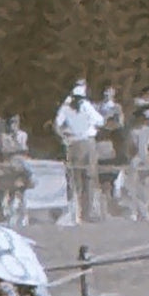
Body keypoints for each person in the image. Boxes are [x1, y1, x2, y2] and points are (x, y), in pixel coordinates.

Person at [54, 81, 105, 224]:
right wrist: (63, 138)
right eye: (76, 98)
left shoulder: (85, 106)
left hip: (86, 142)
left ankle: (87, 212)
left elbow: (100, 121)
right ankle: (77, 213)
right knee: (75, 179)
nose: (78, 101)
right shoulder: (67, 108)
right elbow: (57, 125)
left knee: (88, 178)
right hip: (75, 143)